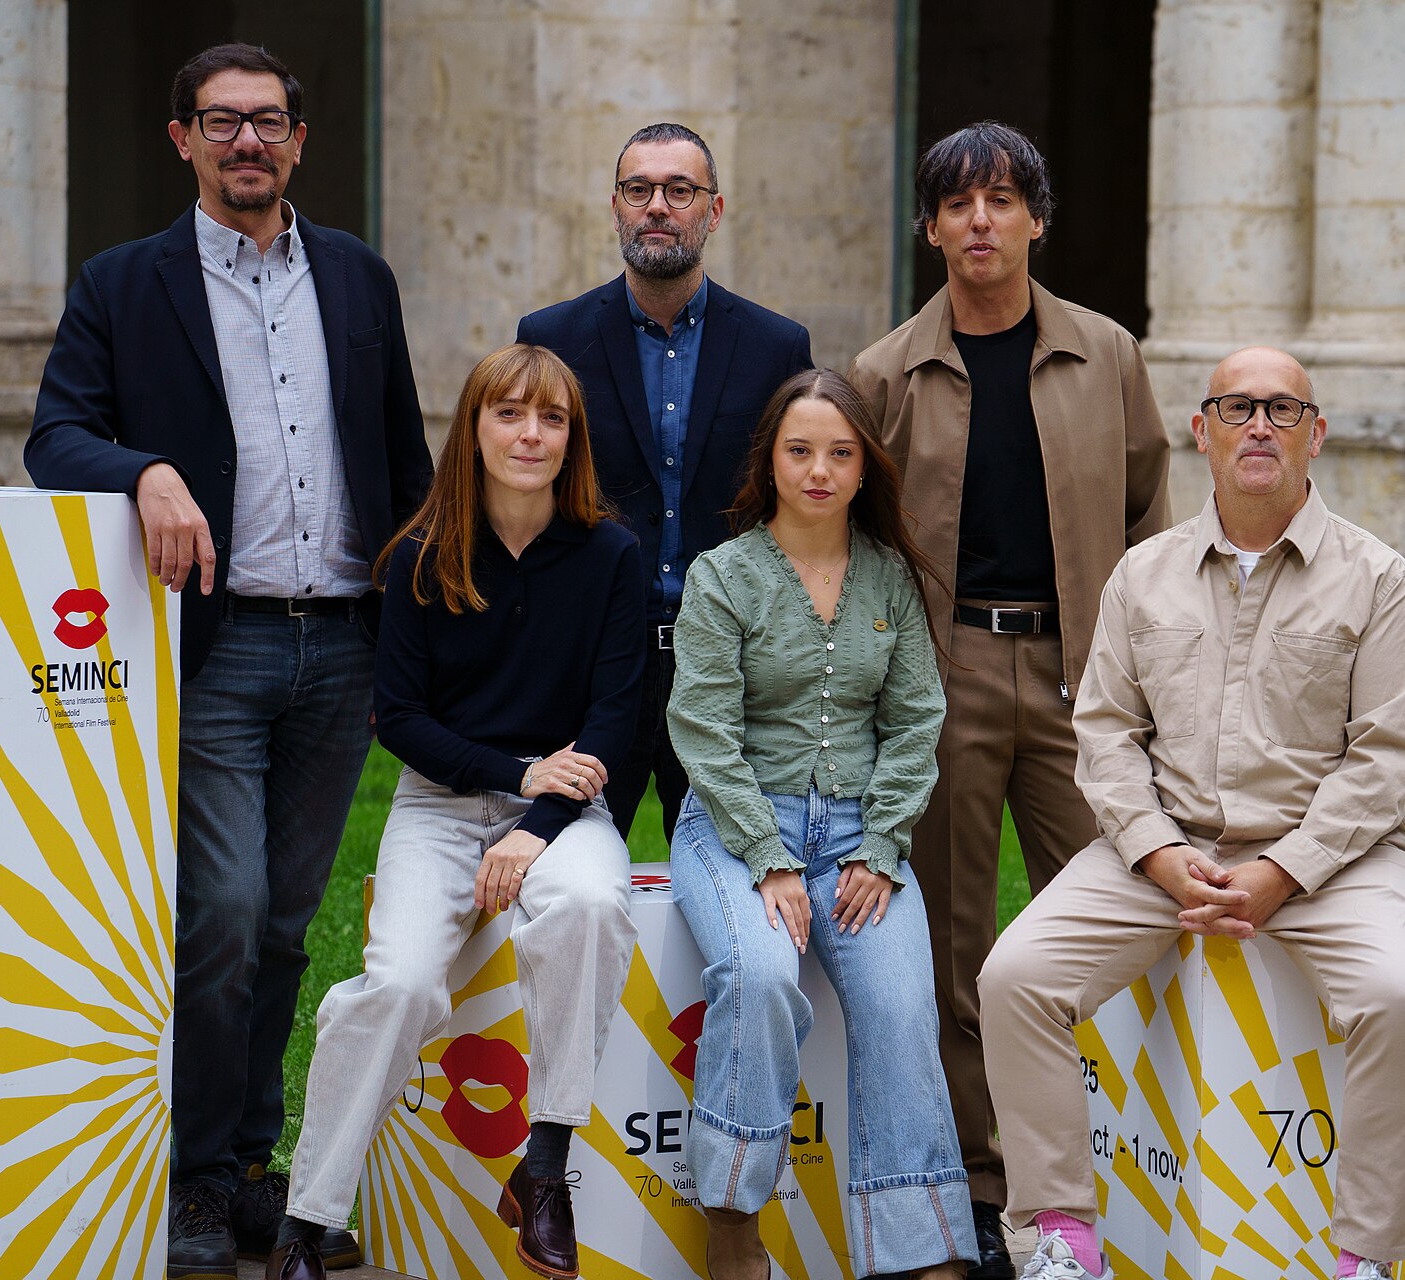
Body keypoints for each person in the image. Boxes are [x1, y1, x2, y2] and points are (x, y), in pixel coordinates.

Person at [22, 42, 431, 1277]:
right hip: (218, 642)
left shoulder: (359, 279)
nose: (245, 142)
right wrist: (143, 470)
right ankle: (195, 1173)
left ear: (300, 139)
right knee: (224, 911)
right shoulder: (121, 283)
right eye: (221, 123)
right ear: (183, 140)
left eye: (266, 122)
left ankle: (255, 1164)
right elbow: (55, 434)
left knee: (288, 925)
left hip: (344, 645)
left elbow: (404, 464)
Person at [978, 346, 1405, 1280]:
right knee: (1015, 975)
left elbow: (1387, 759)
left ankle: (1370, 1258)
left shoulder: (1378, 578)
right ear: (1202, 432)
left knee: (1398, 1000)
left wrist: (1284, 872)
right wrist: (1153, 852)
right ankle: (1060, 1240)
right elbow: (1104, 735)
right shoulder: (1141, 576)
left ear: (1317, 436)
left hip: (1334, 861)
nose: (1259, 426)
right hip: (1165, 851)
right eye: (1237, 408)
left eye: (1282, 409)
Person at [846, 121, 1170, 1279]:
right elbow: (857, 538)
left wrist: (1148, 678)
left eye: (1002, 199)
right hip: (947, 678)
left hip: (1088, 682)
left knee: (1117, 912)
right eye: (957, 203)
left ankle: (1123, 1163)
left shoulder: (1107, 353)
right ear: (929, 226)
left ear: (1037, 217)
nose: (980, 220)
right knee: (954, 944)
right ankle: (991, 1191)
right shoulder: (885, 373)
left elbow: (1147, 520)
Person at [264, 344, 644, 1280]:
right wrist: (519, 775)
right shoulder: (424, 554)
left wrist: (535, 823)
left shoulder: (611, 557)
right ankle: (305, 1224)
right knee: (395, 987)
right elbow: (400, 720)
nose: (530, 434)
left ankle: (545, 1168)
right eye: (509, 413)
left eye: (551, 419)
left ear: (573, 439)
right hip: (439, 804)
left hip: (567, 809)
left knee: (591, 908)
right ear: (473, 428)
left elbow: (612, 722)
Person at [667, 369, 974, 1280]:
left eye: (840, 453)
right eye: (799, 450)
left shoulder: (887, 575)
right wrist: (767, 858)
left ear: (864, 465)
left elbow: (917, 719)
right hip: (732, 829)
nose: (818, 470)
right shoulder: (724, 576)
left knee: (899, 1007)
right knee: (760, 974)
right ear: (770, 459)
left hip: (858, 841)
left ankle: (922, 1248)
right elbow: (704, 731)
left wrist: (881, 846)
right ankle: (732, 1215)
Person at [518, 122, 814, 844]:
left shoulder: (779, 346)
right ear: (614, 206)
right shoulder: (550, 338)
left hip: (728, 662)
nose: (657, 206)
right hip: (594, 660)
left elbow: (795, 507)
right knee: (566, 870)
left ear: (712, 211)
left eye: (679, 190)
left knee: (738, 870)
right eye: (638, 189)